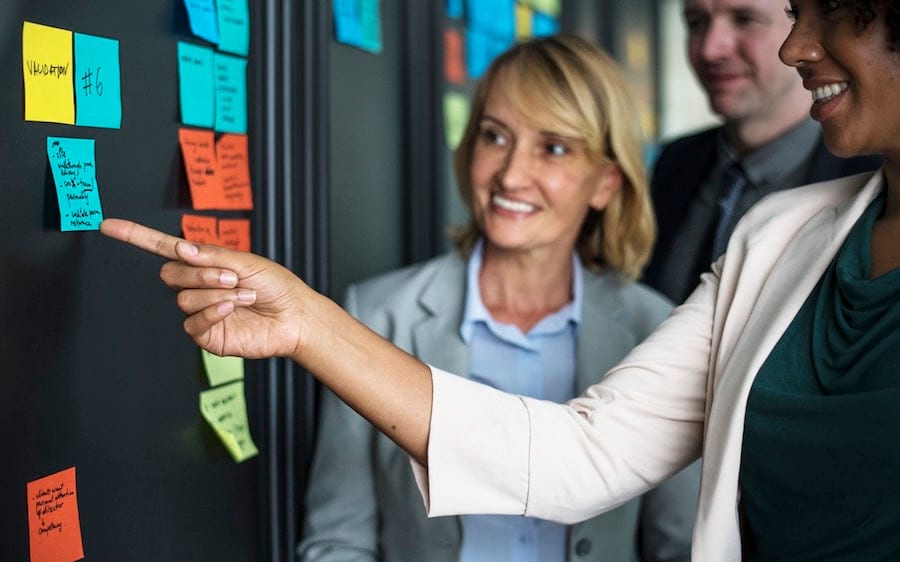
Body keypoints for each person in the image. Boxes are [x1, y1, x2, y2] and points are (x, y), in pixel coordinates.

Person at [100, 1, 900, 559]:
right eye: (494, 136)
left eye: (835, 10)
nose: (799, 47)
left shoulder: (646, 308)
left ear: (606, 180)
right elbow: (578, 458)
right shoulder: (779, 238)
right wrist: (308, 321)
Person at [298, 36, 696, 562]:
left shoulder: (658, 331)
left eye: (553, 147)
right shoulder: (377, 315)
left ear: (605, 182)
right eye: (495, 137)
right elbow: (337, 540)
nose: (510, 175)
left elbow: (684, 547)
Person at [643, 0, 881, 304]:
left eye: (745, 19)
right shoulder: (674, 162)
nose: (709, 50)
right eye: (696, 23)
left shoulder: (873, 179)